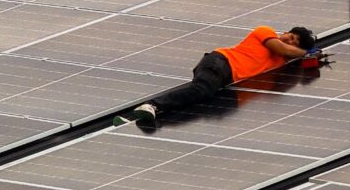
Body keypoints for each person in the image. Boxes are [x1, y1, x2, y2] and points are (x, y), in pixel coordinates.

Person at [125, 25, 320, 132]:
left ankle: (156, 117)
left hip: (226, 80)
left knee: (202, 103)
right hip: (221, 62)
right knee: (202, 90)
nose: (290, 41)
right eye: (291, 36)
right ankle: (152, 105)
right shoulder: (265, 32)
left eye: (295, 42)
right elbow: (283, 49)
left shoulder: (281, 62)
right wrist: (305, 52)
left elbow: (283, 87)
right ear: (284, 33)